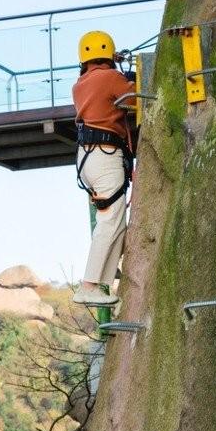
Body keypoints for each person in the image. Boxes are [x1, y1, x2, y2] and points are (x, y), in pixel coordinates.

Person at [71, 30, 137, 307]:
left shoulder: (80, 84)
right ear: (109, 54)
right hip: (105, 154)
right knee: (110, 221)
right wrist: (131, 77)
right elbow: (134, 98)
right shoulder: (110, 78)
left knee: (115, 220)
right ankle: (88, 285)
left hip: (88, 158)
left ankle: (105, 284)